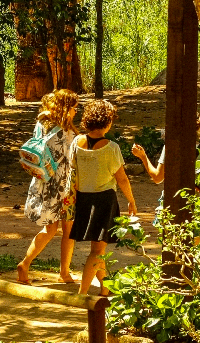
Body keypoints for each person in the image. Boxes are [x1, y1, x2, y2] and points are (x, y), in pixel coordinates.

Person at [69, 99, 137, 296]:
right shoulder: (111, 147)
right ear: (107, 122)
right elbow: (122, 179)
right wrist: (131, 200)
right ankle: (82, 294)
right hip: (104, 200)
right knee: (97, 251)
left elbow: (73, 171)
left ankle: (106, 289)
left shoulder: (77, 142)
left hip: (83, 199)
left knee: (98, 249)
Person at [17, 89, 79, 285]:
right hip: (63, 185)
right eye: (74, 108)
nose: (76, 111)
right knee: (68, 230)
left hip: (42, 181)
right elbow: (72, 158)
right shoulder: (66, 132)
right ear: (66, 108)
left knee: (50, 229)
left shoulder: (41, 124)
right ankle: (65, 272)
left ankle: (25, 263)